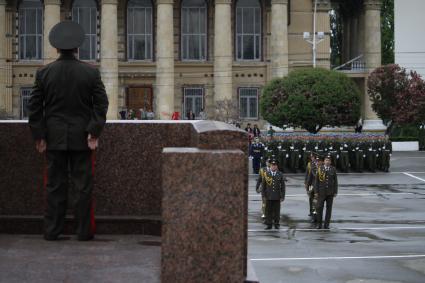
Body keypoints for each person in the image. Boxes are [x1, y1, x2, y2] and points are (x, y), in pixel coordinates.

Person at [27, 21, 109, 241]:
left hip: (53, 139)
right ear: (77, 48)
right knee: (83, 187)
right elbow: (101, 105)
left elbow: (34, 107)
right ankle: (83, 232)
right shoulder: (90, 73)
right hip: (82, 138)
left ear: (56, 48)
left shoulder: (44, 73)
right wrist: (93, 132)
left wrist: (39, 135)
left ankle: (52, 231)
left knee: (54, 185)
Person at [314, 155, 338, 229]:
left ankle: (326, 224)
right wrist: (316, 192)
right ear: (324, 161)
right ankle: (319, 224)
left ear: (330, 162)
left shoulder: (333, 169)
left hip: (330, 192)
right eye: (326, 160)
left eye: (329, 160)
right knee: (319, 208)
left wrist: (335, 191)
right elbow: (316, 181)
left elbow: (335, 181)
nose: (327, 161)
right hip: (321, 192)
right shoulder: (320, 169)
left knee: (329, 209)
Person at [262, 159, 286, 230]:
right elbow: (263, 186)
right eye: (272, 165)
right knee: (268, 211)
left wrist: (282, 196)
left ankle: (276, 224)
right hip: (268, 196)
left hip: (277, 196)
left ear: (277, 166)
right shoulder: (266, 174)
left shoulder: (280, 174)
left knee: (276, 211)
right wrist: (263, 196)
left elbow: (283, 187)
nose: (273, 167)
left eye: (275, 165)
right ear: (270, 166)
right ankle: (269, 224)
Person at [305, 152, 318, 222]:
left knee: (315, 200)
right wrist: (306, 182)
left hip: (316, 185)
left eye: (313, 157)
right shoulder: (309, 164)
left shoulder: (319, 164)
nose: (311, 158)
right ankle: (311, 211)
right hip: (311, 184)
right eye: (311, 157)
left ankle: (314, 214)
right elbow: (307, 173)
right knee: (311, 198)